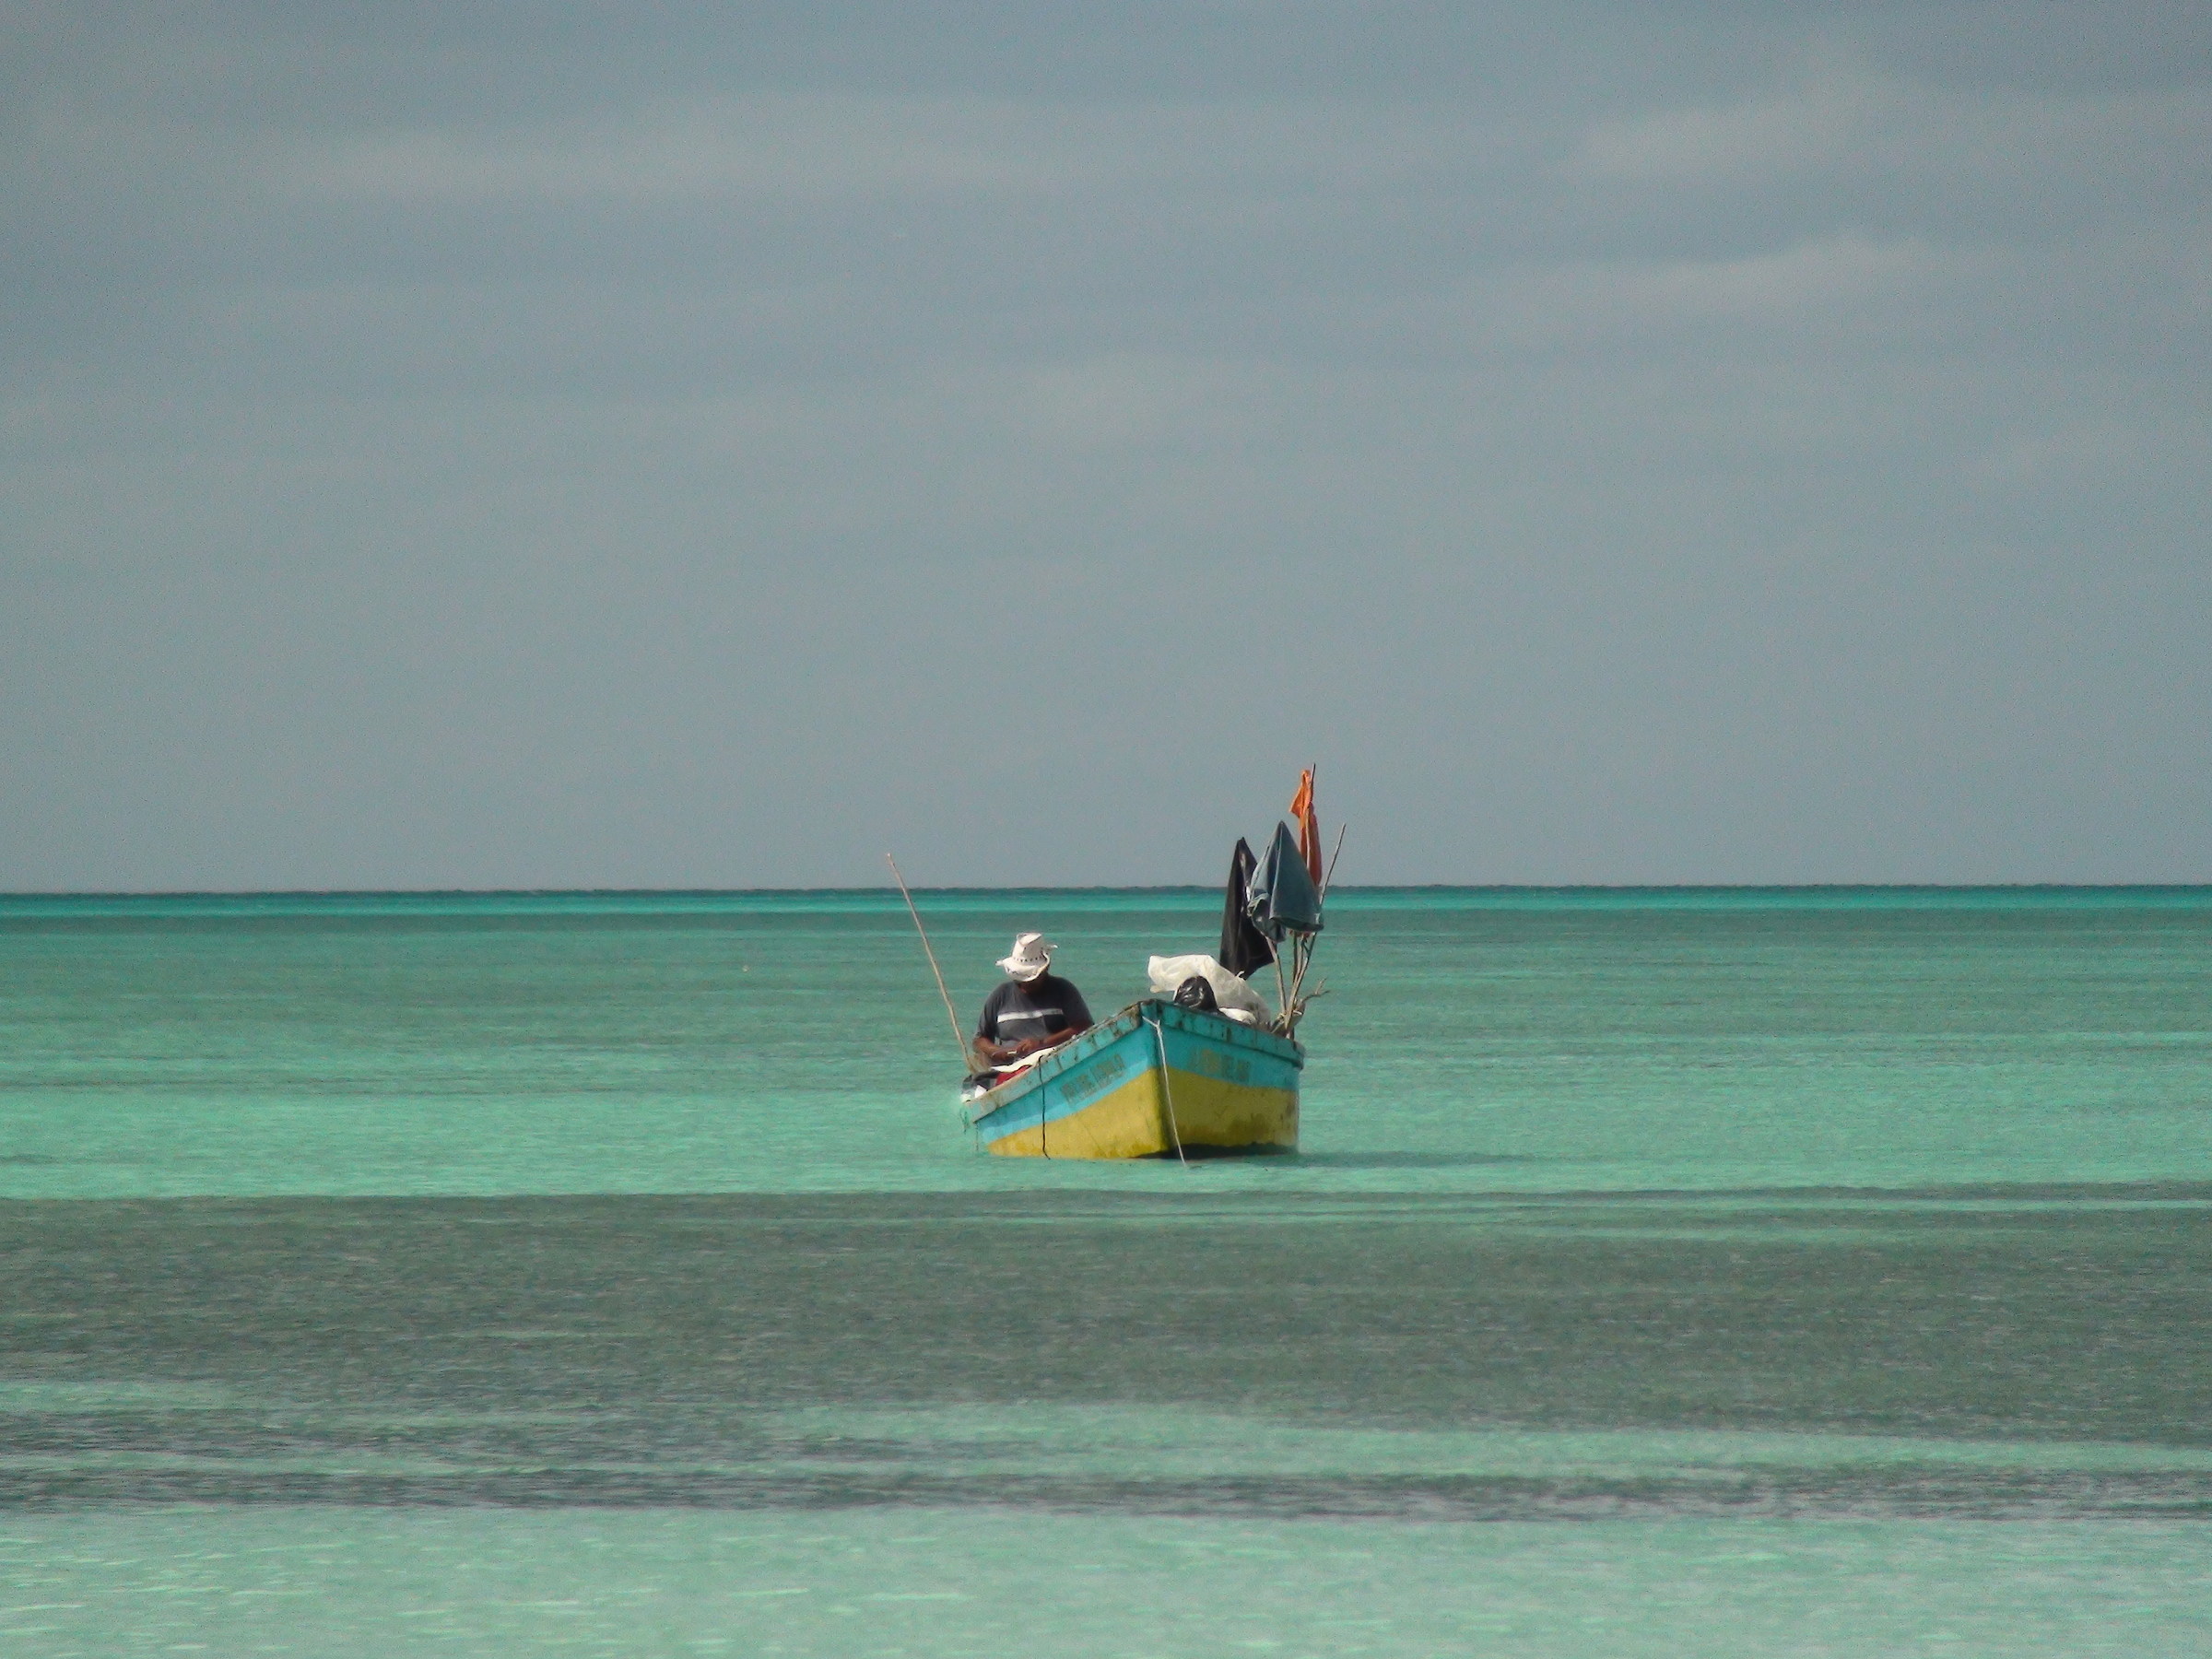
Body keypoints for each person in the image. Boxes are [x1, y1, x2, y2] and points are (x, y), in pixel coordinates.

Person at [974, 933, 1091, 1066]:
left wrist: (1042, 1043)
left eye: (1031, 980)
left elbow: (1084, 1027)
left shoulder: (1063, 989)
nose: (1025, 985)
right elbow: (980, 1039)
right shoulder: (1000, 995)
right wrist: (998, 1051)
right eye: (1020, 979)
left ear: (1045, 969)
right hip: (1011, 1069)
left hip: (1058, 1063)